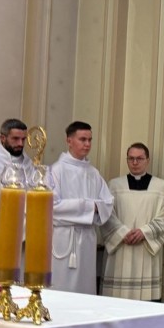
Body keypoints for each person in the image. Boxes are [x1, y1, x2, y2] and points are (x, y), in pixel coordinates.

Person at [101, 143, 164, 301]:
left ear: (147, 160)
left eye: (139, 158)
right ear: (127, 160)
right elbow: (106, 214)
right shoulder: (114, 185)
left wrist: (145, 232)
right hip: (121, 248)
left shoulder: (160, 186)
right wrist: (122, 232)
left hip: (146, 249)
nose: (135, 162)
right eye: (131, 158)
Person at [49, 121, 114, 294]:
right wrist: (88, 206)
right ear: (69, 141)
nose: (87, 144)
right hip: (63, 238)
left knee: (85, 288)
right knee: (63, 287)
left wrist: (92, 208)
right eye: (82, 139)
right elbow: (51, 207)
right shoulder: (56, 170)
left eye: (90, 140)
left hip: (87, 239)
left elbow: (107, 203)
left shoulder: (93, 173)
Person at [0, 118, 36, 270]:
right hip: (0, 228)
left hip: (24, 229)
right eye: (15, 139)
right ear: (2, 138)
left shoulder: (28, 162)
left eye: (23, 139)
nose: (20, 144)